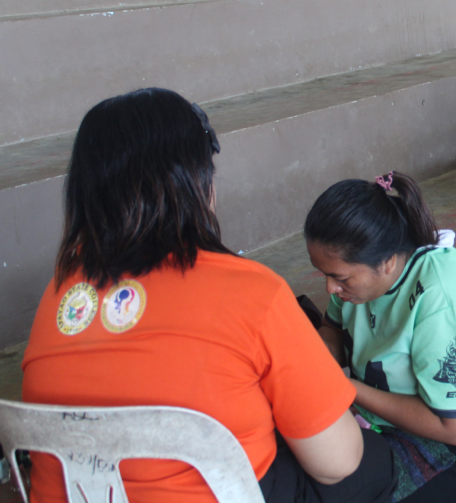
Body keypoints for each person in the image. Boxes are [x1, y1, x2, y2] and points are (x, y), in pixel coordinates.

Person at [20, 88, 397, 503]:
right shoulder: (252, 292)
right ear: (196, 184)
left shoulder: (59, 294)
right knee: (373, 461)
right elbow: (337, 462)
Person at [307, 172, 456, 503]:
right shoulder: (357, 282)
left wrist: (345, 389)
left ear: (387, 262)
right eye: (325, 275)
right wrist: (316, 360)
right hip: (390, 425)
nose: (330, 288)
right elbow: (333, 329)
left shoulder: (445, 306)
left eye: (340, 278)